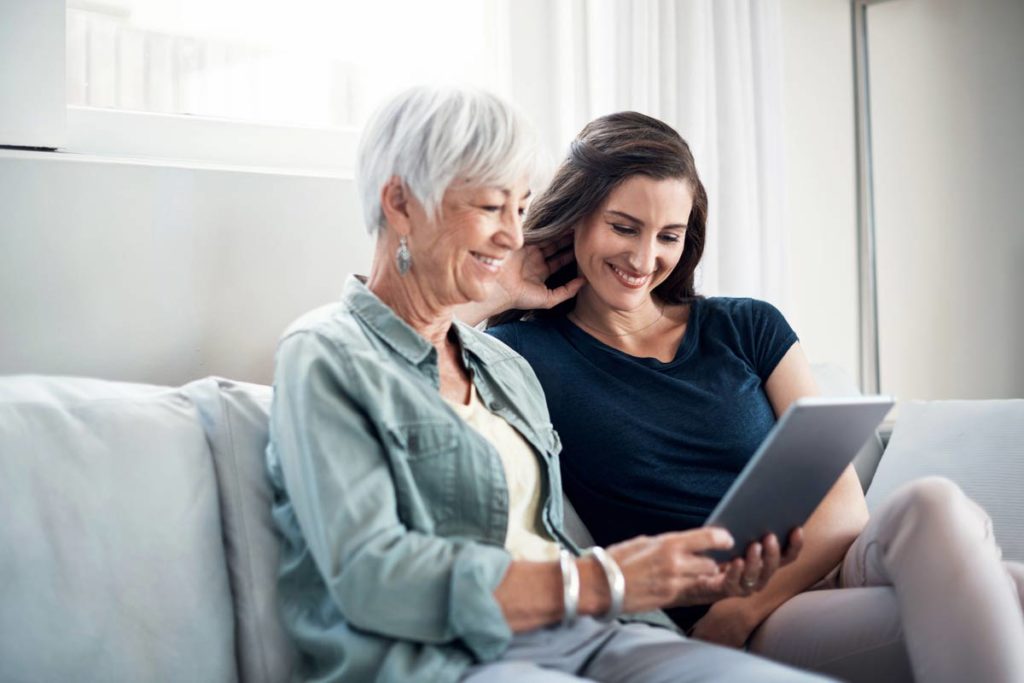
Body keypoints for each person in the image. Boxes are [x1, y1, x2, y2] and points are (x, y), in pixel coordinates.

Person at [265, 86, 832, 683]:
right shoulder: (327, 355)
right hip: (455, 660)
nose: (516, 235)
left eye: (521, 207)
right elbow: (372, 577)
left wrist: (697, 578)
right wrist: (606, 578)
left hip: (598, 638)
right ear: (401, 203)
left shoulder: (500, 367)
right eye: (491, 208)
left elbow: (544, 536)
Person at [470, 111, 1024, 682]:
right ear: (575, 220)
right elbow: (400, 356)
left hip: (802, 580)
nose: (643, 260)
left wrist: (742, 611)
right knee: (1008, 592)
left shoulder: (746, 325)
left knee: (932, 501)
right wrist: (499, 288)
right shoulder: (522, 353)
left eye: (668, 236)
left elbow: (844, 507)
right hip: (748, 616)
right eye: (624, 227)